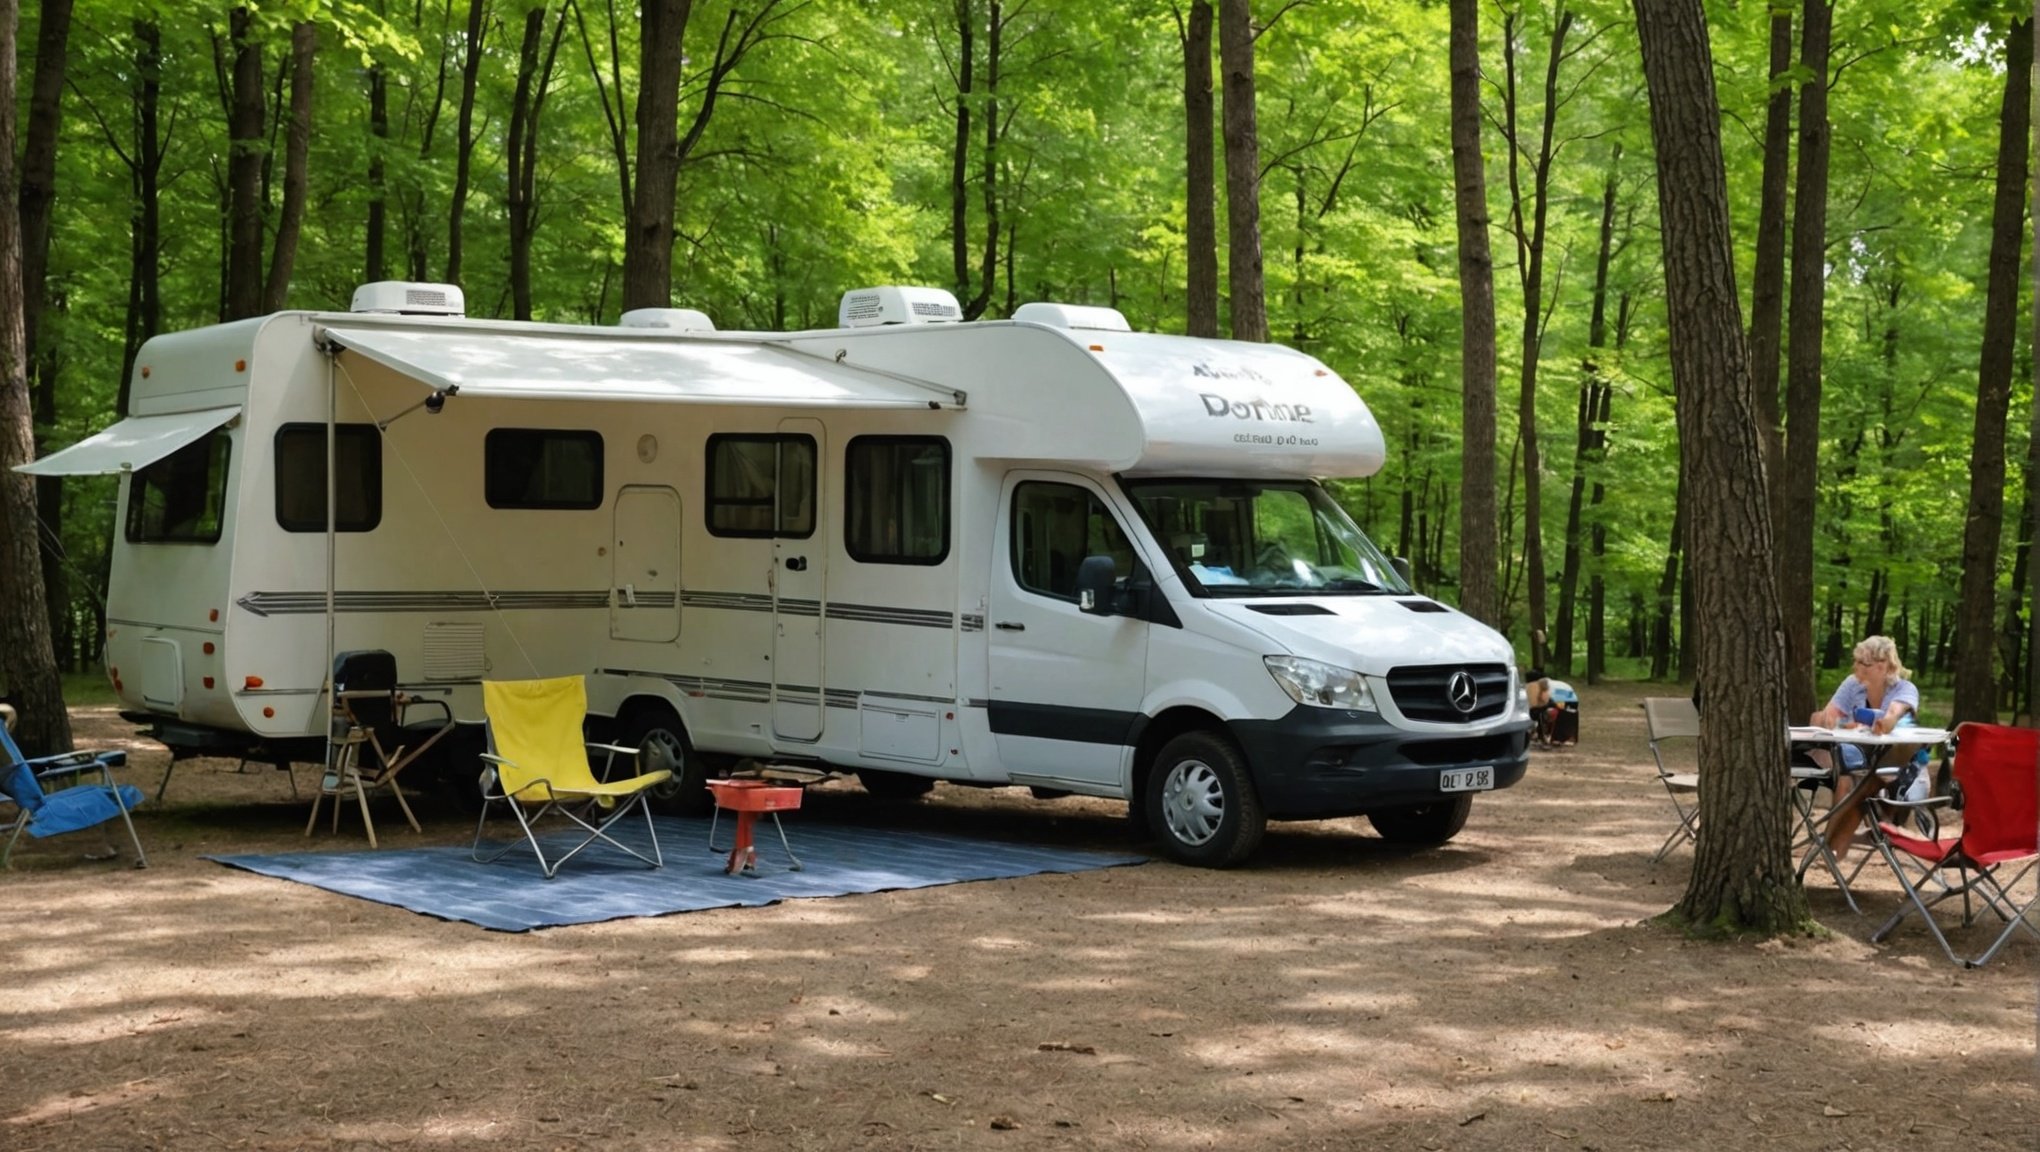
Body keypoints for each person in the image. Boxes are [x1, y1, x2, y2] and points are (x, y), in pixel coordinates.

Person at [1807, 636, 1924, 855]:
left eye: (1863, 663)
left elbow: (1891, 716)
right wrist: (1825, 719)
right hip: (1862, 760)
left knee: (1858, 781)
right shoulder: (1852, 684)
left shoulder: (1905, 689)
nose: (1856, 667)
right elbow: (1827, 714)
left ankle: (1835, 843)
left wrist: (1882, 721)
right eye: (1856, 660)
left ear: (1883, 667)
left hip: (1899, 765)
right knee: (1845, 776)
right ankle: (1832, 844)